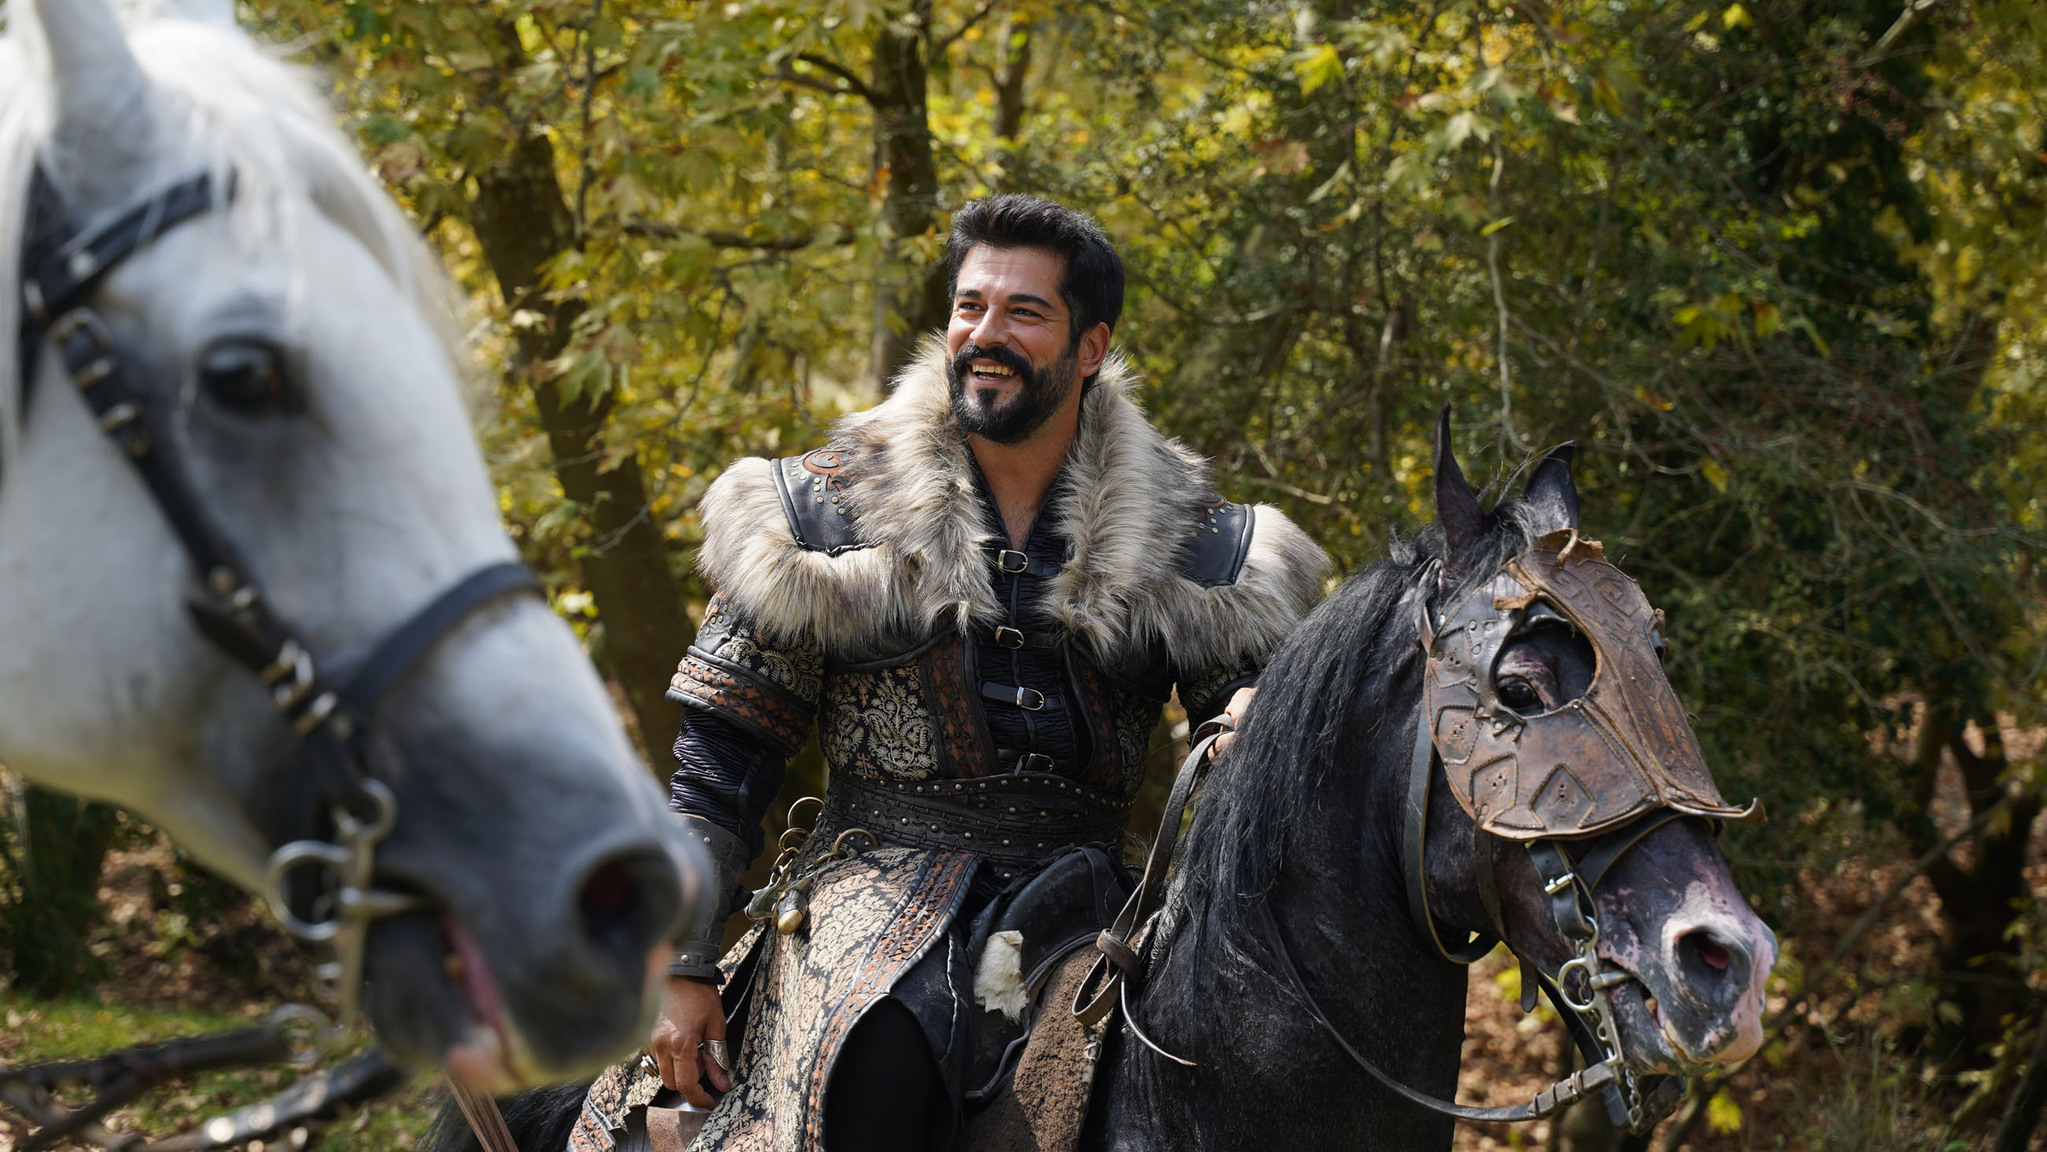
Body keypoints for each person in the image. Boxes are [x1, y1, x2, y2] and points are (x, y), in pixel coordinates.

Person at [583, 195, 1328, 1152]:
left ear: (1090, 348)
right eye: (970, 306)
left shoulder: (1191, 534)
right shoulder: (820, 512)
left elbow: (1247, 737)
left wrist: (1254, 716)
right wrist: (681, 962)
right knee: (881, 1055)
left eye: (1024, 312)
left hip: (1093, 903)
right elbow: (719, 766)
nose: (985, 334)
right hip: (867, 900)